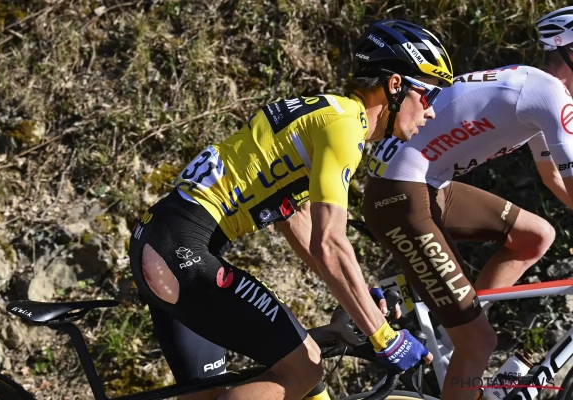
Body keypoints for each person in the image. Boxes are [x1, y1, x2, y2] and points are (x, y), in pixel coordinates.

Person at [128, 19, 453, 400]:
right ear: (396, 85)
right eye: (429, 96)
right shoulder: (346, 128)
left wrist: (360, 295)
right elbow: (329, 244)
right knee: (305, 369)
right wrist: (385, 338)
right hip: (185, 251)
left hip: (158, 242)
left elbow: (297, 220)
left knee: (207, 394)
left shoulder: (325, 113)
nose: (431, 112)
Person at [361, 6, 573, 400]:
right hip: (401, 193)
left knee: (536, 236)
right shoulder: (551, 94)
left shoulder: (538, 88)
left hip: (425, 184)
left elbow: (554, 178)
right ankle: (465, 344)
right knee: (480, 343)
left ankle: (450, 342)